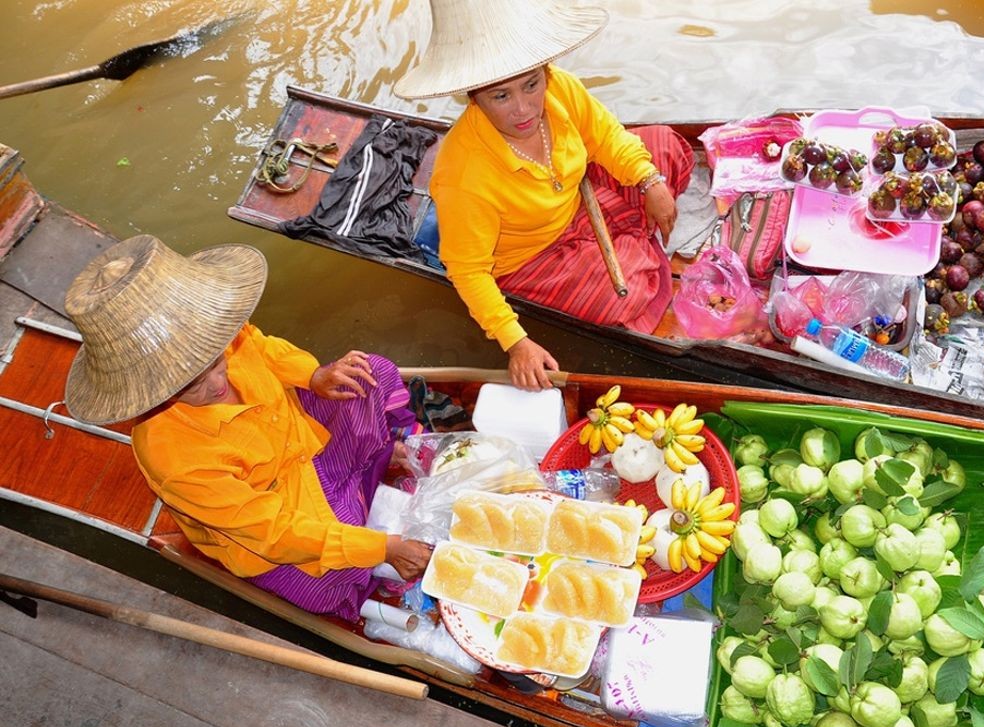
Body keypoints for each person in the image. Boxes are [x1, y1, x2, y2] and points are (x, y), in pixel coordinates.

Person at [62, 235, 432, 621]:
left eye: (216, 359)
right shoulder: (174, 460)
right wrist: (381, 548)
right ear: (153, 394)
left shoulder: (217, 330)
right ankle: (374, 474)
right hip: (277, 516)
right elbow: (272, 532)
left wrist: (315, 375)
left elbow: (263, 346)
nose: (217, 380)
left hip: (302, 440)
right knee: (330, 581)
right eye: (191, 383)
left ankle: (377, 467)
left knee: (368, 374)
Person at [394, 0, 694, 390]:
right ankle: (634, 239)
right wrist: (515, 342)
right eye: (500, 96)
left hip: (575, 196)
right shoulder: (463, 173)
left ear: (544, 73)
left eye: (531, 84)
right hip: (534, 255)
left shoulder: (561, 88)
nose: (524, 109)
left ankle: (633, 238)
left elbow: (605, 136)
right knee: (622, 299)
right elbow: (468, 272)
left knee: (664, 145)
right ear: (474, 98)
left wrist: (648, 180)